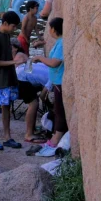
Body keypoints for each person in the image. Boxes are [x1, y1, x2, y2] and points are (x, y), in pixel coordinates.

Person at [0, 11, 22, 151]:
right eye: (14, 26)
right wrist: (13, 62)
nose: (15, 29)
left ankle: (7, 137)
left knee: (6, 105)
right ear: (6, 23)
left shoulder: (6, 35)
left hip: (8, 77)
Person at [32, 18, 66, 154]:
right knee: (57, 109)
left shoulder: (62, 43)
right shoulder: (59, 42)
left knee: (60, 110)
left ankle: (57, 137)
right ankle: (56, 135)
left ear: (53, 29)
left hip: (59, 81)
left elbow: (55, 63)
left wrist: (40, 58)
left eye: (49, 28)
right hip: (56, 81)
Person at [11, 38, 50, 144]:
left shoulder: (51, 69)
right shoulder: (53, 78)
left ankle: (31, 131)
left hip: (22, 74)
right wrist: (51, 107)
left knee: (34, 102)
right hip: (22, 78)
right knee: (34, 103)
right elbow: (43, 96)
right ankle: (29, 134)